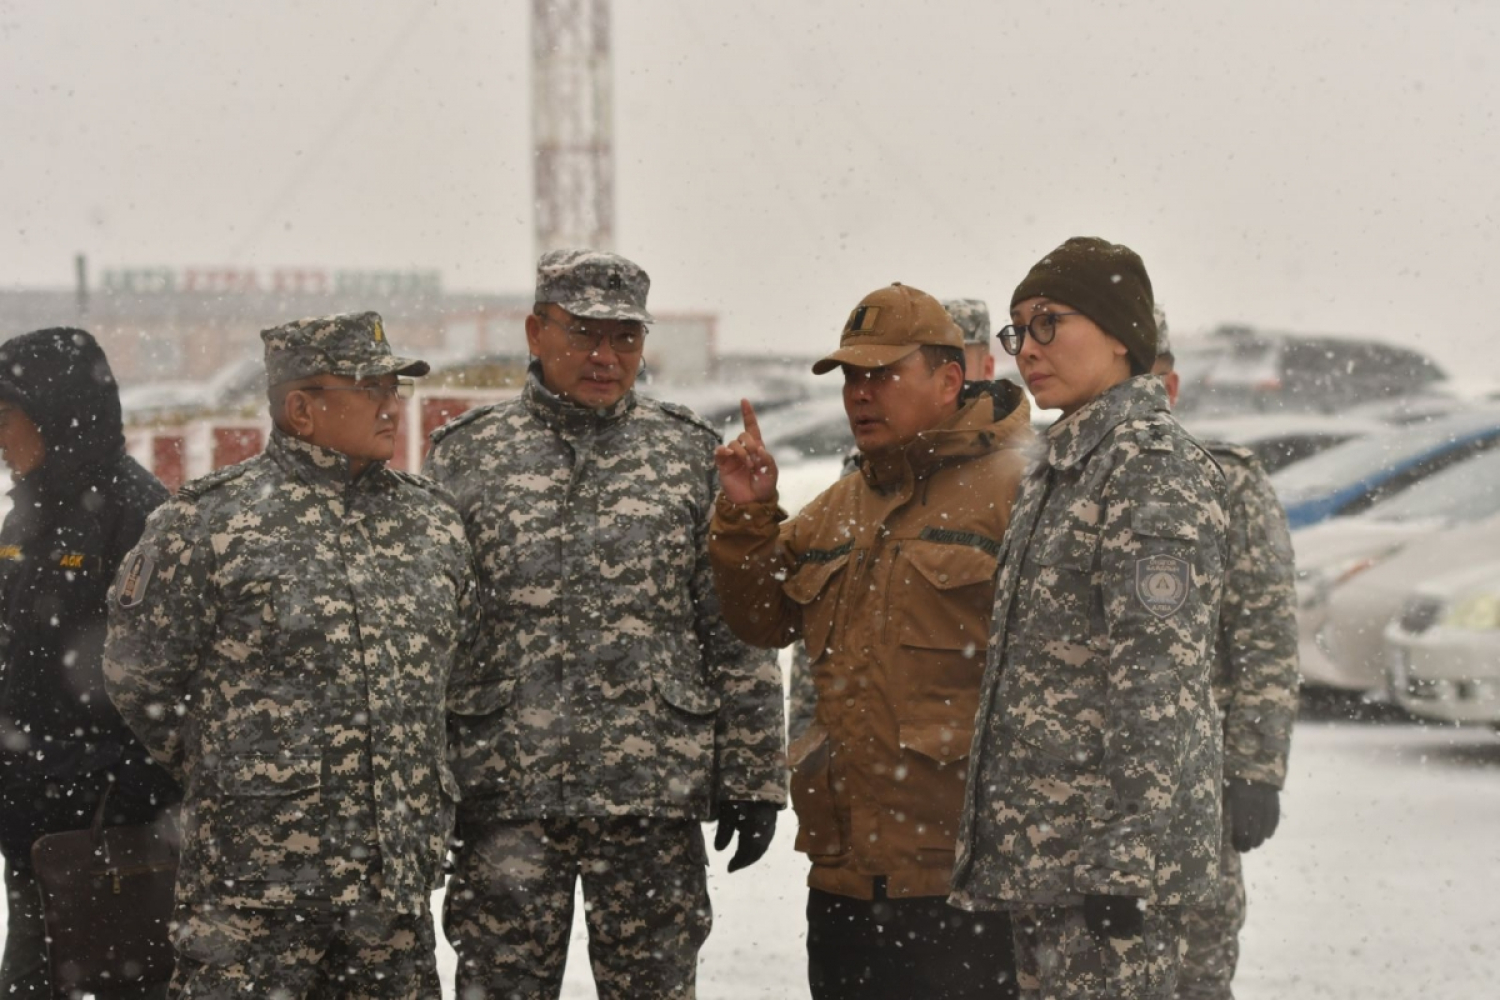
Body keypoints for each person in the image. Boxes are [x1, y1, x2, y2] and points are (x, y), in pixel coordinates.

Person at [424, 249, 786, 1000]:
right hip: (506, 793)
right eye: (585, 333)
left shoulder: (688, 453)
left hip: (648, 793)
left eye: (625, 337)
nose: (606, 356)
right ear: (536, 332)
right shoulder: (467, 455)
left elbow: (730, 622)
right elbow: (434, 632)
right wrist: (426, 781)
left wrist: (754, 774)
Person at [103, 312, 475, 999]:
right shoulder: (208, 522)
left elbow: (456, 669)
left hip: (390, 895)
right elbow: (137, 675)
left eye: (393, 388)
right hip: (253, 892)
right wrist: (233, 770)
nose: (390, 406)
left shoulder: (432, 522)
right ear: (301, 407)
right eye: (368, 388)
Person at [709, 282, 1033, 999]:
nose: (860, 393)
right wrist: (749, 518)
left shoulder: (1018, 490)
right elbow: (763, 618)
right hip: (847, 880)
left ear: (949, 380)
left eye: (883, 374)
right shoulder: (845, 504)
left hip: (965, 882)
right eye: (852, 376)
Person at [951, 237, 1228, 999]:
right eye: (1018, 330)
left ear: (1119, 335)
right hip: (1049, 860)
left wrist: (1126, 861)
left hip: (1103, 874)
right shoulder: (1065, 465)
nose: (1027, 349)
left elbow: (1159, 682)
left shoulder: (1148, 466)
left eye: (1049, 322)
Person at [0, 328, 182, 999]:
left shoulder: (141, 519)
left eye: (4, 417)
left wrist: (101, 788)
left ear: (56, 414)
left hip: (105, 843)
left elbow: (172, 695)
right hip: (34, 831)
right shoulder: (27, 515)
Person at [1152, 308, 1298, 1000]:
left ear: (1172, 385)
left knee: (1195, 971)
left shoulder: (1225, 482)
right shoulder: (1053, 480)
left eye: (1149, 378)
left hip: (1196, 782)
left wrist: (1256, 769)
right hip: (1079, 798)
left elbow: (1265, 633)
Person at [786, 295, 1001, 744]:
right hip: (860, 749)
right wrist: (810, 737)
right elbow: (824, 624)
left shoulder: (1014, 479)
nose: (863, 392)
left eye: (966, 361)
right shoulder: (863, 476)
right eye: (855, 376)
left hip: (951, 756)